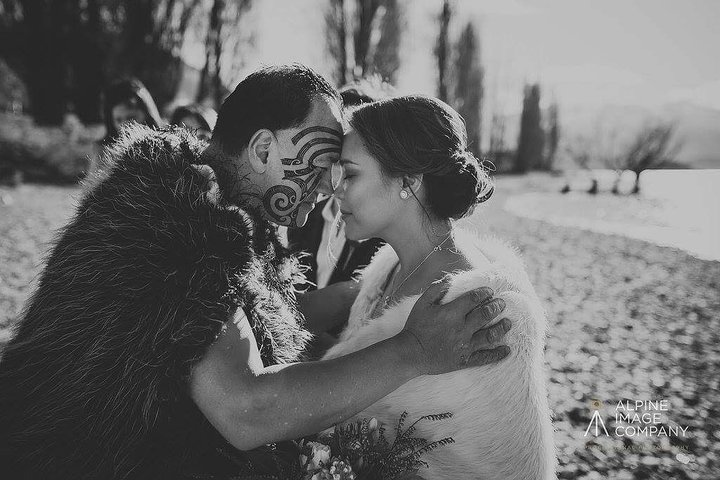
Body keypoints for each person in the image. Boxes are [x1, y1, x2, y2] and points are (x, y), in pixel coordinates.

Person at [0, 65, 511, 479]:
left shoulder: (195, 200)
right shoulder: (189, 220)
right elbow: (245, 411)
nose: (327, 186)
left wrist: (366, 300)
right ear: (264, 149)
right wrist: (414, 350)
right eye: (320, 161)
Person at [322, 95, 556, 479]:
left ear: (409, 181)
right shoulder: (390, 269)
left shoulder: (468, 305)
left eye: (350, 174)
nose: (337, 190)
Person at [101, 77, 164, 146]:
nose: (125, 127)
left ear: (146, 114)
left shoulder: (167, 143)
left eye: (131, 118)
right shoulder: (104, 151)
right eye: (118, 120)